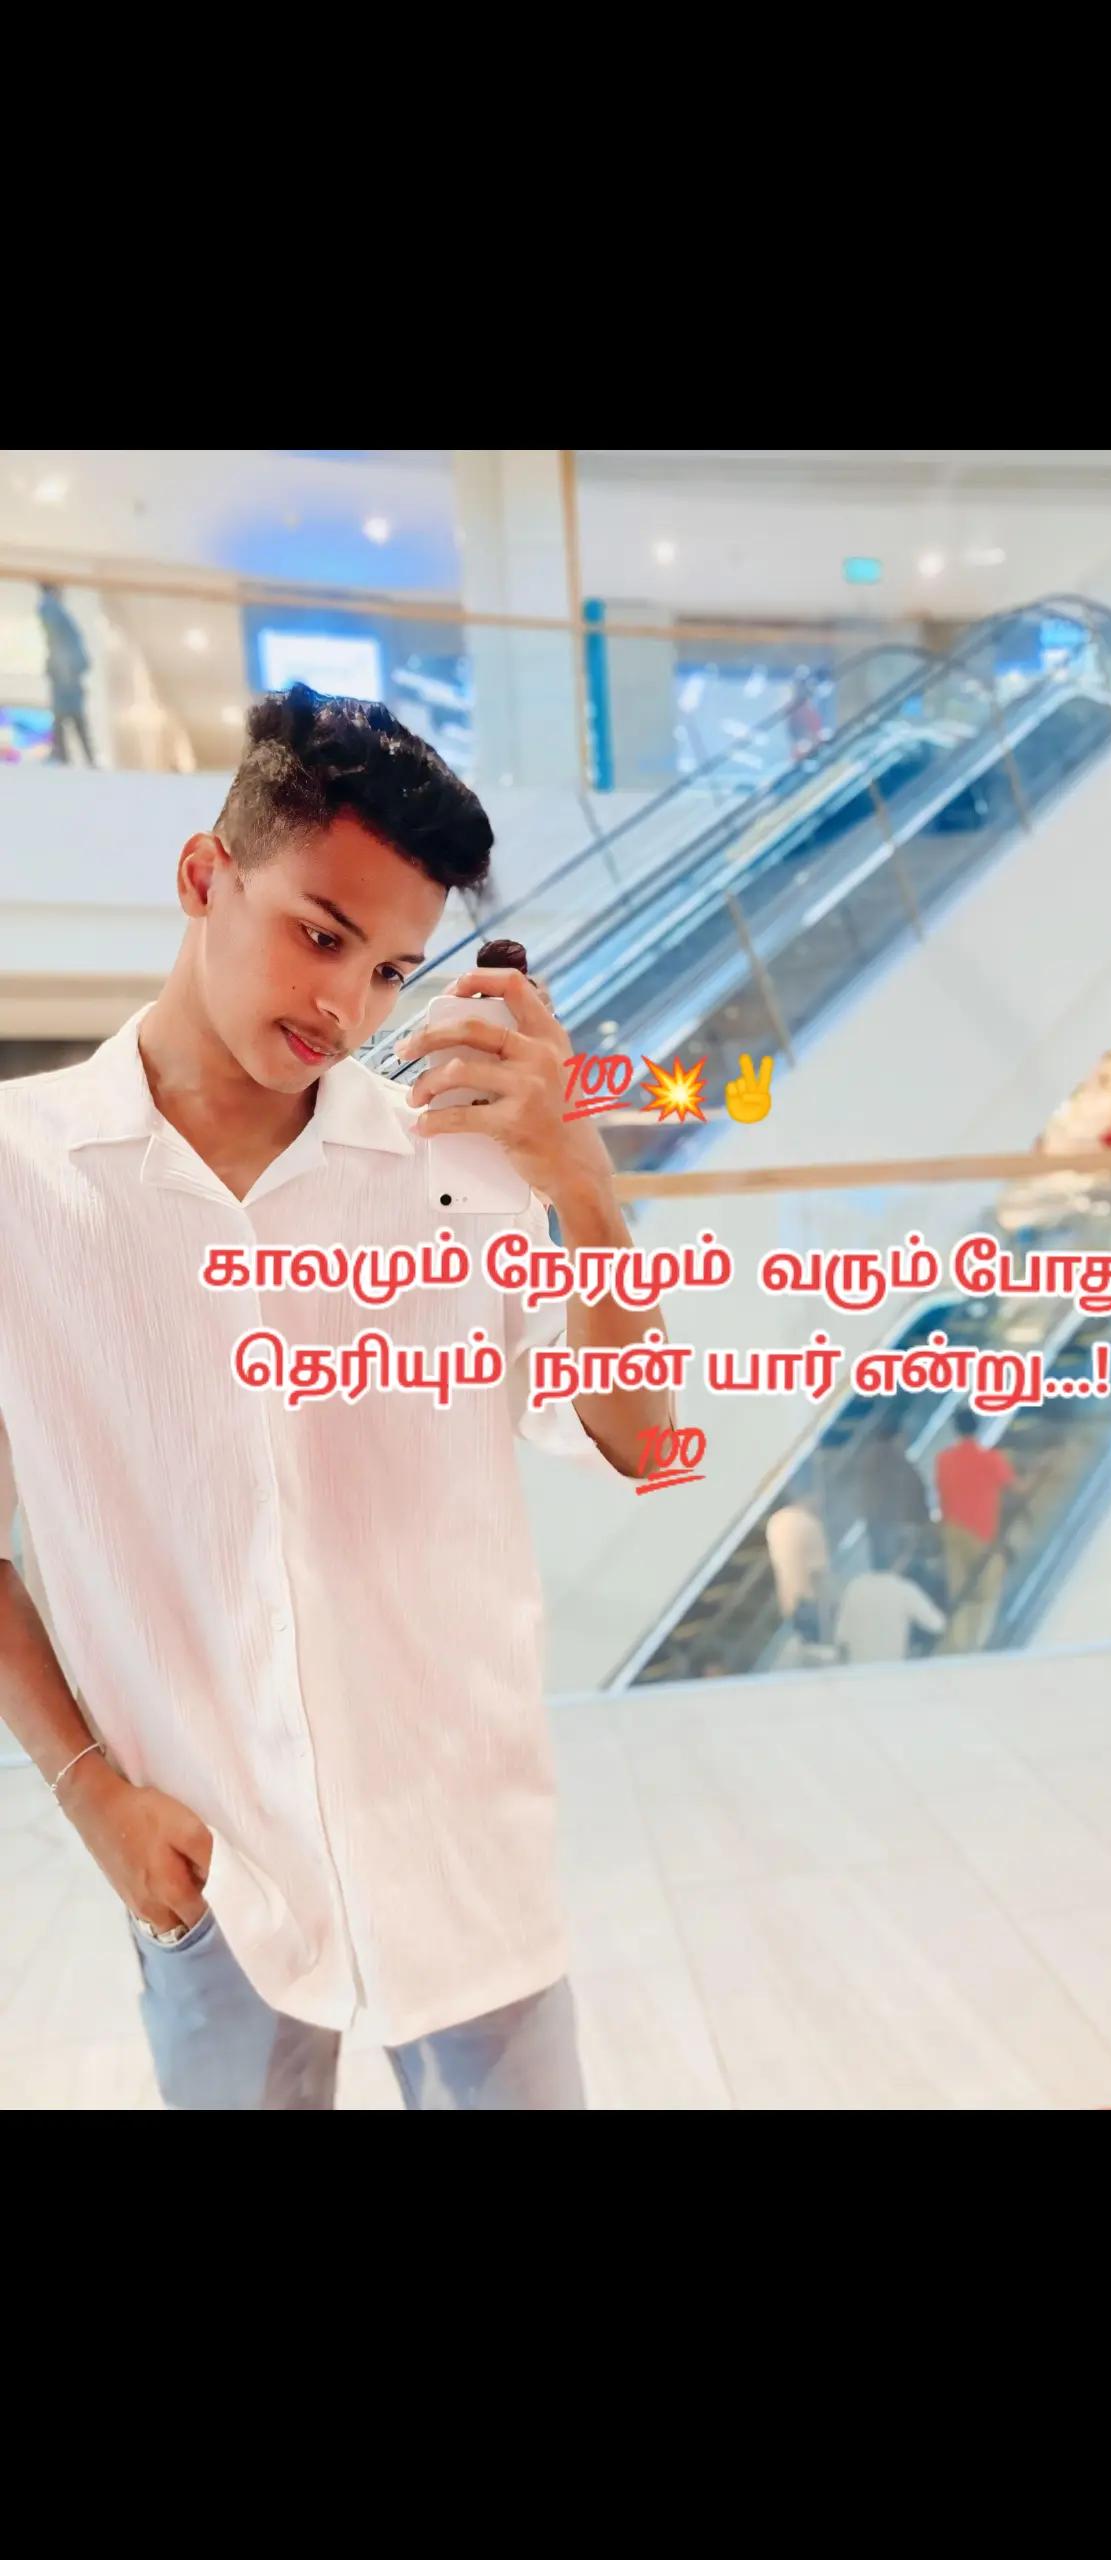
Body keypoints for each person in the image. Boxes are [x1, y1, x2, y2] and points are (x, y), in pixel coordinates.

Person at [0, 682, 678, 2112]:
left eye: (391, 970)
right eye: (320, 934)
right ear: (205, 874)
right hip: (209, 1865)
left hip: (465, 1853)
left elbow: (642, 1438)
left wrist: (584, 1192)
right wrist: (89, 1794)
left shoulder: (456, 1168)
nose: (345, 1007)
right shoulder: (19, 1182)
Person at [934, 1407, 1018, 1648]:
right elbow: (1015, 1488)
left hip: (952, 1531)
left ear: (955, 1430)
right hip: (982, 1533)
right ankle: (980, 1643)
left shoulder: (943, 1460)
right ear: (978, 1427)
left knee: (959, 1593)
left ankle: (959, 1645)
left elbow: (941, 1492)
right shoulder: (990, 1459)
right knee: (987, 1592)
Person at [852, 1405, 944, 1602]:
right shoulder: (897, 1463)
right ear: (897, 1437)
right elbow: (913, 1496)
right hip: (903, 1533)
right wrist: (924, 1525)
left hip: (878, 1531)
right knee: (913, 1583)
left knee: (886, 1579)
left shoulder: (867, 1463)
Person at [834, 1527, 946, 1666]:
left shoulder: (854, 1587)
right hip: (892, 1675)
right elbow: (939, 1625)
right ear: (902, 1559)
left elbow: (841, 1640)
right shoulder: (904, 1590)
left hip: (858, 1675)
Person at [37, 583, 96, 766]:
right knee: (68, 717)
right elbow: (57, 641)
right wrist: (65, 670)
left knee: (70, 718)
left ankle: (69, 756)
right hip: (66, 674)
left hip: (67, 674)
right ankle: (66, 756)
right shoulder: (51, 609)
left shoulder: (55, 611)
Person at [765, 1478, 831, 1636]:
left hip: (789, 1604)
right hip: (812, 1604)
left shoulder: (775, 1522)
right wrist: (831, 1607)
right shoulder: (810, 1524)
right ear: (813, 1494)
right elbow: (818, 1574)